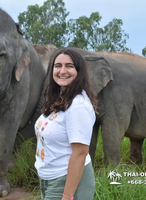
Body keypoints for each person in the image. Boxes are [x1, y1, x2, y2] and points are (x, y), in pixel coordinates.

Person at [34, 48, 97, 200]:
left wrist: (67, 196)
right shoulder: (60, 97)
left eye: (69, 66)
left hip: (66, 180)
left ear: (79, 71)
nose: (63, 71)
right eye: (58, 66)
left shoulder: (78, 106)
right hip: (50, 177)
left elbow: (80, 153)